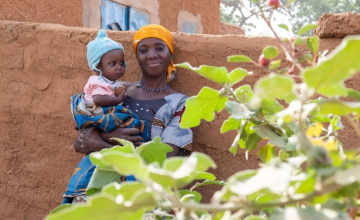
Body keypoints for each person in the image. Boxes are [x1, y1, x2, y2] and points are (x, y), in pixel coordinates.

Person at [63, 24, 193, 204]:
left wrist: (104, 144)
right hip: (94, 190)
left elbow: (165, 160)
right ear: (137, 57)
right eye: (143, 50)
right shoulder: (115, 91)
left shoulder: (180, 103)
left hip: (139, 198)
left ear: (170, 53)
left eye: (160, 48)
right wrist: (98, 139)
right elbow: (81, 142)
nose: (152, 54)